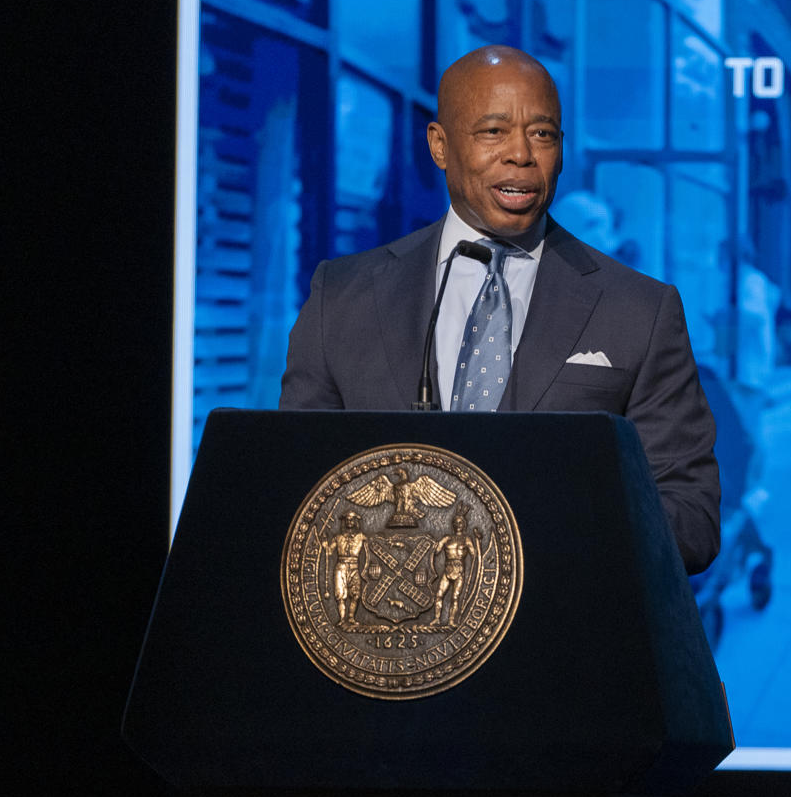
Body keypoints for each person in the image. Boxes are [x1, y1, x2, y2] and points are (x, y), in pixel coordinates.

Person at [280, 46, 720, 574]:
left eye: (543, 134)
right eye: (493, 132)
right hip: (389, 638)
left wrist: (550, 537)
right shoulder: (342, 297)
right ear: (439, 145)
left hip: (562, 638)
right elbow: (295, 490)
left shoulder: (641, 311)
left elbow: (692, 515)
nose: (522, 155)